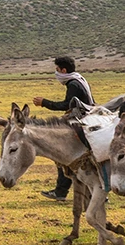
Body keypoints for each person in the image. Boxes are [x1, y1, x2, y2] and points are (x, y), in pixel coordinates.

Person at [32, 55, 94, 200]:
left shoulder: (73, 84)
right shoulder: (79, 79)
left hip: (80, 123)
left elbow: (67, 104)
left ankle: (61, 192)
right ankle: (62, 191)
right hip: (87, 119)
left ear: (63, 70)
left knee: (61, 154)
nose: (56, 73)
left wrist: (44, 103)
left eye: (57, 69)